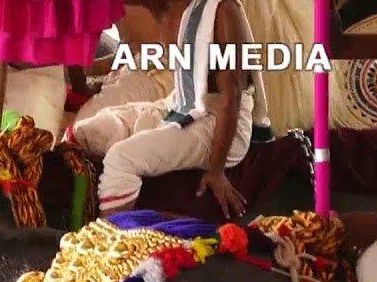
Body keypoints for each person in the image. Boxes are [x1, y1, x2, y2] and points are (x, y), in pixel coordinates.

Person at [67, 0, 273, 220]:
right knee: (87, 131)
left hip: (220, 120)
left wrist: (216, 171)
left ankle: (109, 245)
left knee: (121, 159)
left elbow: (231, 97)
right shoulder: (162, 6)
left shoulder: (223, 11)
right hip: (179, 103)